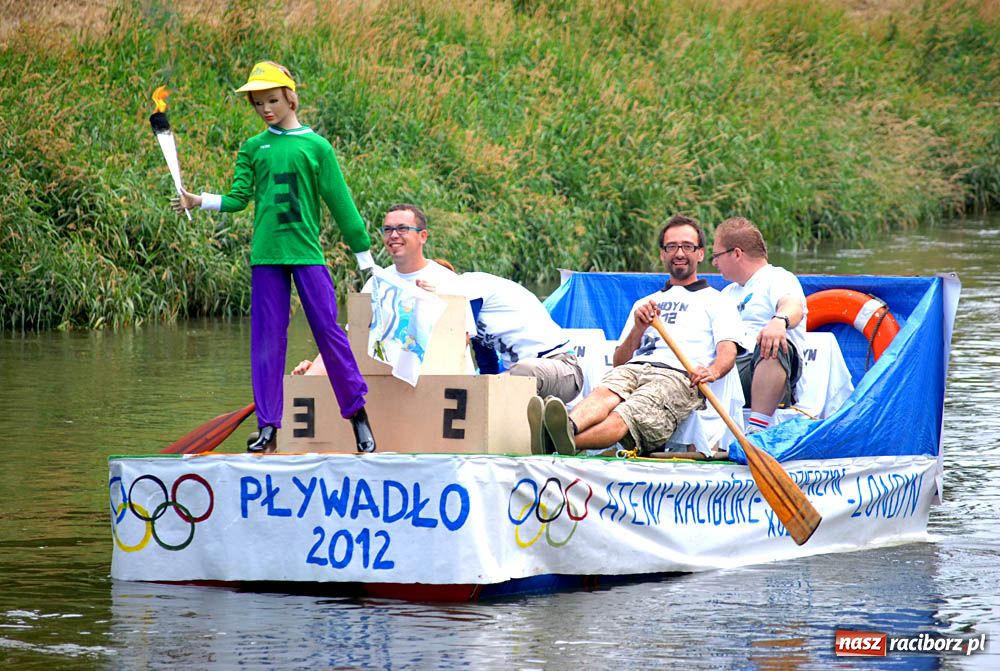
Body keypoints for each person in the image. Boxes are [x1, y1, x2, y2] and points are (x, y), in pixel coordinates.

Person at [171, 61, 375, 454]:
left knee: (329, 333)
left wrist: (363, 255)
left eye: (273, 100)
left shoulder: (316, 147)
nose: (266, 108)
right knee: (266, 342)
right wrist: (201, 200)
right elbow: (238, 198)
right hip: (266, 256)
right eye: (258, 103)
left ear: (290, 97)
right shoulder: (253, 147)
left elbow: (340, 201)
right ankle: (268, 427)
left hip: (305, 253)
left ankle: (358, 416)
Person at [539, 215, 745, 456]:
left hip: (678, 377)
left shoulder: (717, 302)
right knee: (605, 392)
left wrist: (712, 372)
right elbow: (619, 362)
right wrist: (638, 327)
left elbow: (727, 352)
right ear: (662, 254)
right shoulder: (644, 303)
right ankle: (568, 429)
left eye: (687, 246)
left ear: (700, 253)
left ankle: (561, 443)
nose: (679, 253)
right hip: (634, 368)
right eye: (671, 247)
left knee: (626, 413)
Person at [294, 204, 475, 375]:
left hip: (444, 388)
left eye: (402, 229)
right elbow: (353, 340)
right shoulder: (375, 284)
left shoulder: (448, 281)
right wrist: (316, 371)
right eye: (387, 229)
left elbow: (461, 341)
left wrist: (433, 304)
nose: (394, 235)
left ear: (423, 236)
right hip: (392, 388)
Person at [711, 216, 807, 433]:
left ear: (736, 253)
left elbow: (793, 305)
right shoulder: (726, 294)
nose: (714, 263)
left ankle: (757, 430)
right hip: (729, 370)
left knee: (771, 342)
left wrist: (779, 321)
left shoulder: (778, 278)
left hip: (766, 369)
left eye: (716, 255)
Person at [461, 271, 583, 403]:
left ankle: (546, 414)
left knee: (520, 372)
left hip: (562, 369)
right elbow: (487, 364)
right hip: (519, 375)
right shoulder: (474, 317)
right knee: (487, 391)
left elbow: (460, 340)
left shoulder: (469, 285)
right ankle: (540, 412)